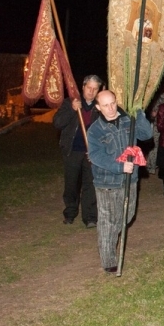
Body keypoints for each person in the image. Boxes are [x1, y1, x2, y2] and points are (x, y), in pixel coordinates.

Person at [87, 89, 153, 274]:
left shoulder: (127, 120)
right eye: (105, 105)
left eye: (113, 103)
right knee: (108, 221)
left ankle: (109, 240)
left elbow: (146, 134)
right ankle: (109, 260)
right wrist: (119, 166)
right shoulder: (95, 130)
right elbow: (95, 156)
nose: (110, 108)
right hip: (107, 182)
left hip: (129, 180)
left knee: (126, 216)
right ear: (98, 107)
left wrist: (138, 111)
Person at [53, 74, 103, 227]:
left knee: (90, 184)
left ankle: (90, 217)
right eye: (89, 88)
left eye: (95, 89)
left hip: (91, 152)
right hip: (72, 151)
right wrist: (72, 110)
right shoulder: (70, 102)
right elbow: (57, 123)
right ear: (83, 86)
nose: (91, 91)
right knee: (71, 184)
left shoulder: (100, 106)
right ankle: (70, 213)